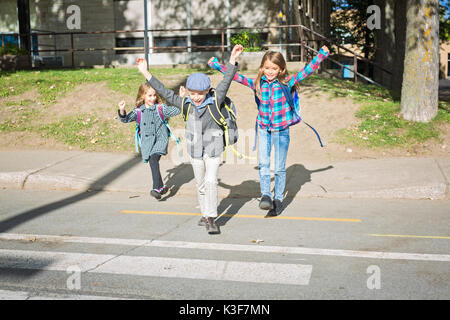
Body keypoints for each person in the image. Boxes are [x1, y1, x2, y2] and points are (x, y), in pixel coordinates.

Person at [208, 46, 330, 216]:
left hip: (282, 131)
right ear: (262, 68)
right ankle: (266, 195)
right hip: (264, 129)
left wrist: (321, 55)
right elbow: (236, 77)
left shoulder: (286, 82)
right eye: (267, 68)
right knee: (264, 165)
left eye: (274, 68)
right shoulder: (257, 84)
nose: (270, 72)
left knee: (279, 168)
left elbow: (306, 71)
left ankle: (278, 199)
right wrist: (216, 65)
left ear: (281, 69)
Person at [136, 44, 244, 234]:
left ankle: (211, 217)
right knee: (200, 184)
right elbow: (164, 91)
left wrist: (233, 59)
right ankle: (205, 214)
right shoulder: (185, 103)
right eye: (192, 93)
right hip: (195, 150)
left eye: (199, 94)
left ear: (207, 91)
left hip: (214, 148)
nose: (195, 98)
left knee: (211, 181)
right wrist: (146, 72)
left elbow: (226, 80)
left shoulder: (215, 99)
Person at [118, 83, 180, 200]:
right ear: (142, 96)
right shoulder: (138, 112)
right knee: (153, 161)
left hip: (160, 139)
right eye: (150, 96)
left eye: (154, 95)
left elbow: (176, 111)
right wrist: (122, 110)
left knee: (153, 159)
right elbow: (125, 119)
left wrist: (180, 99)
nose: (153, 98)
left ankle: (156, 189)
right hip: (147, 143)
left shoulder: (160, 108)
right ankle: (160, 187)